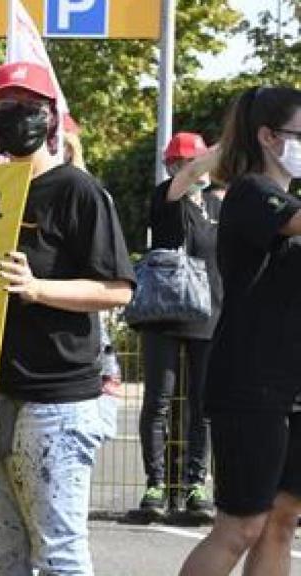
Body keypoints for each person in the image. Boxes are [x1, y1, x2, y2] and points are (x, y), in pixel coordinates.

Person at [0, 62, 135, 576]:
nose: (16, 116)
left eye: (28, 106)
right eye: (3, 106)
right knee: (2, 557)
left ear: (50, 118)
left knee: (60, 553)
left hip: (58, 400)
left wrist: (38, 288)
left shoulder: (77, 191)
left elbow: (117, 289)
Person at [179, 86, 301, 576]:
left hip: (292, 385)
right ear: (269, 137)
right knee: (240, 525)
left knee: (282, 519)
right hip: (250, 386)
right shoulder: (253, 192)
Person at [135, 132, 221, 521]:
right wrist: (223, 147)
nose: (186, 169)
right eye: (178, 163)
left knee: (204, 405)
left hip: (210, 315)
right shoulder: (167, 197)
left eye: (191, 162)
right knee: (159, 401)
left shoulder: (220, 206)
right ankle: (156, 484)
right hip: (165, 314)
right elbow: (184, 182)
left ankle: (194, 484)